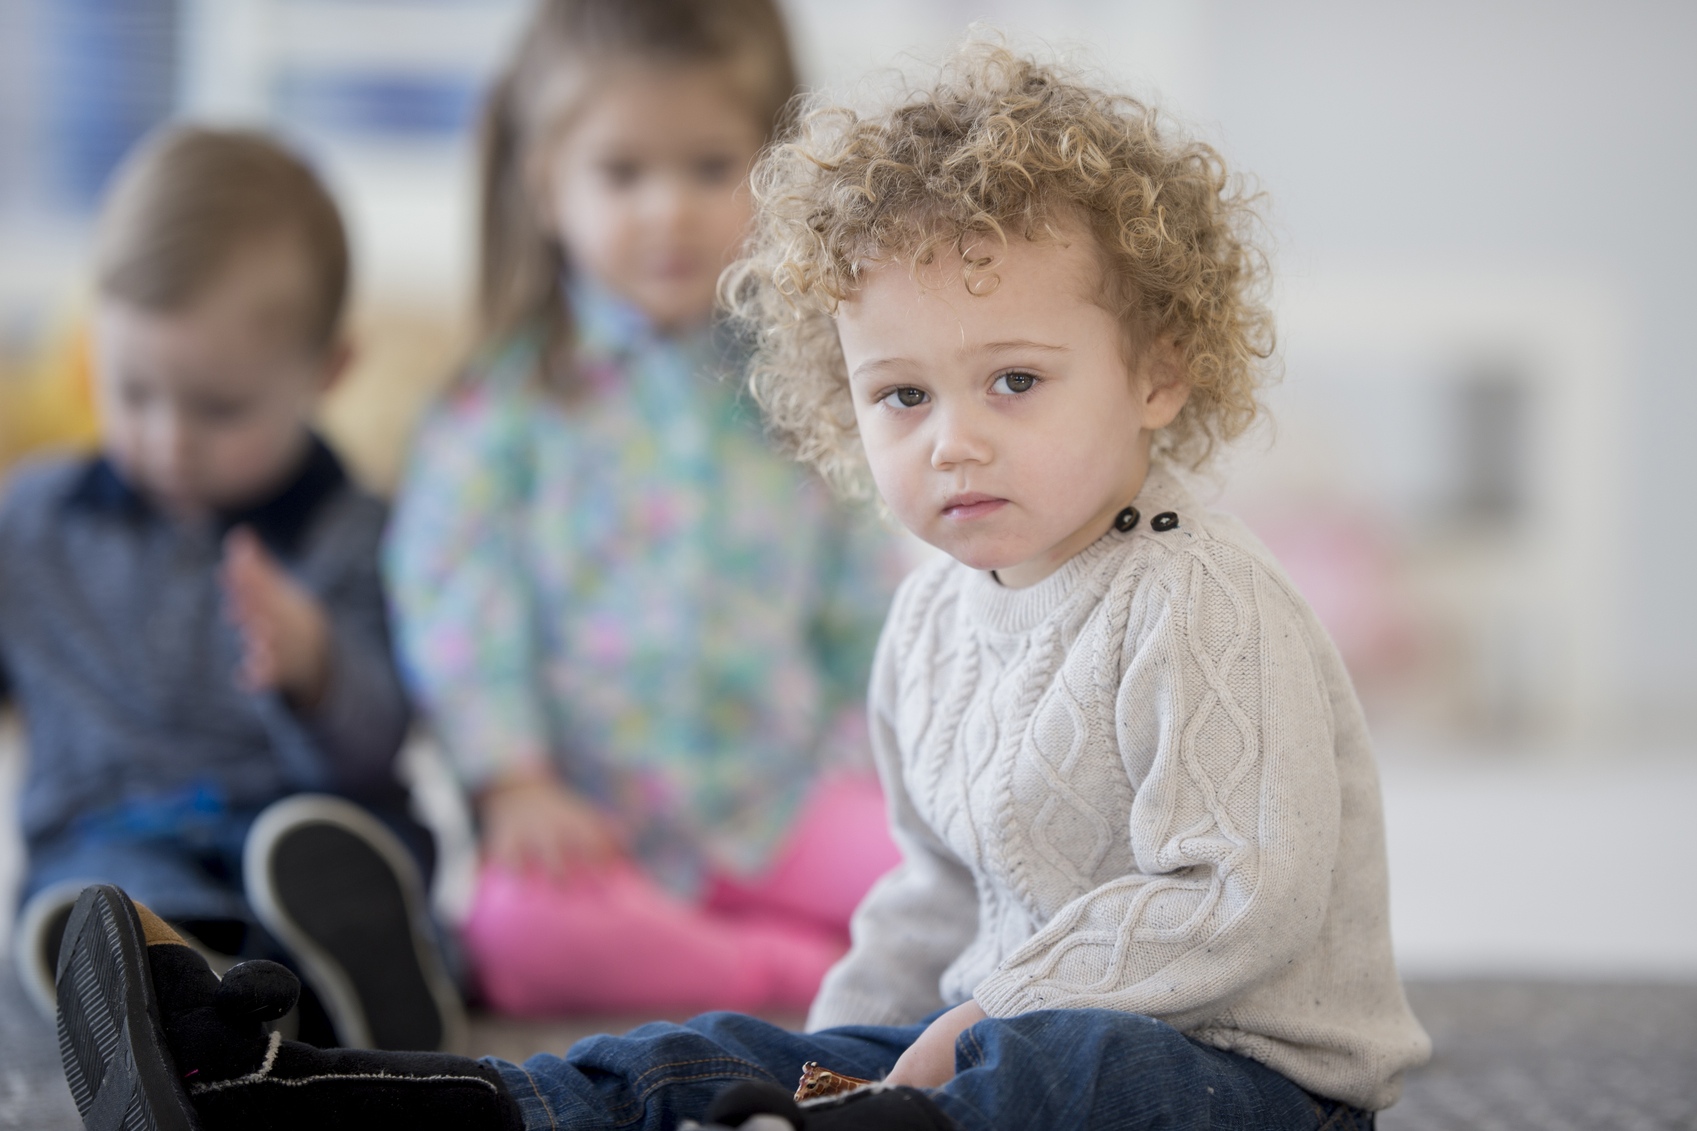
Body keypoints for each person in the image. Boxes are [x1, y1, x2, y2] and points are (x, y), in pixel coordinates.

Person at [55, 44, 1434, 1131]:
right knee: (704, 1051)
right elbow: (934, 898)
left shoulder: (1194, 597)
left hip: (1243, 1081)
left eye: (1013, 378)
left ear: (1157, 368)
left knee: (1068, 1071)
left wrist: (970, 1024)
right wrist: (832, 1050)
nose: (950, 435)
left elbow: (1226, 898)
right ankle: (297, 1098)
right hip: (988, 1036)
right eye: (899, 392)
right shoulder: (938, 613)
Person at [383, 0, 901, 1018]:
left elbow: (867, 600)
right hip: (590, 822)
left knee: (951, 883)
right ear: (545, 185)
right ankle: (793, 980)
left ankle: (833, 958)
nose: (666, 210)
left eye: (709, 169)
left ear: (774, 174)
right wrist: (511, 779)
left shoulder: (805, 393)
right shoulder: (503, 409)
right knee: (510, 929)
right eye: (621, 174)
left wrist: (866, 754)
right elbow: (453, 603)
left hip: (784, 798)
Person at [3, 126, 462, 1052]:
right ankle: (190, 988)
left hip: (299, 827)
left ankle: (338, 981)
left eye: (217, 407)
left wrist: (318, 667)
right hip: (115, 827)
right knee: (95, 899)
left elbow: (381, 744)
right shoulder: (34, 523)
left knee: (340, 848)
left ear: (327, 372)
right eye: (131, 391)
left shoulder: (358, 530)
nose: (168, 436)